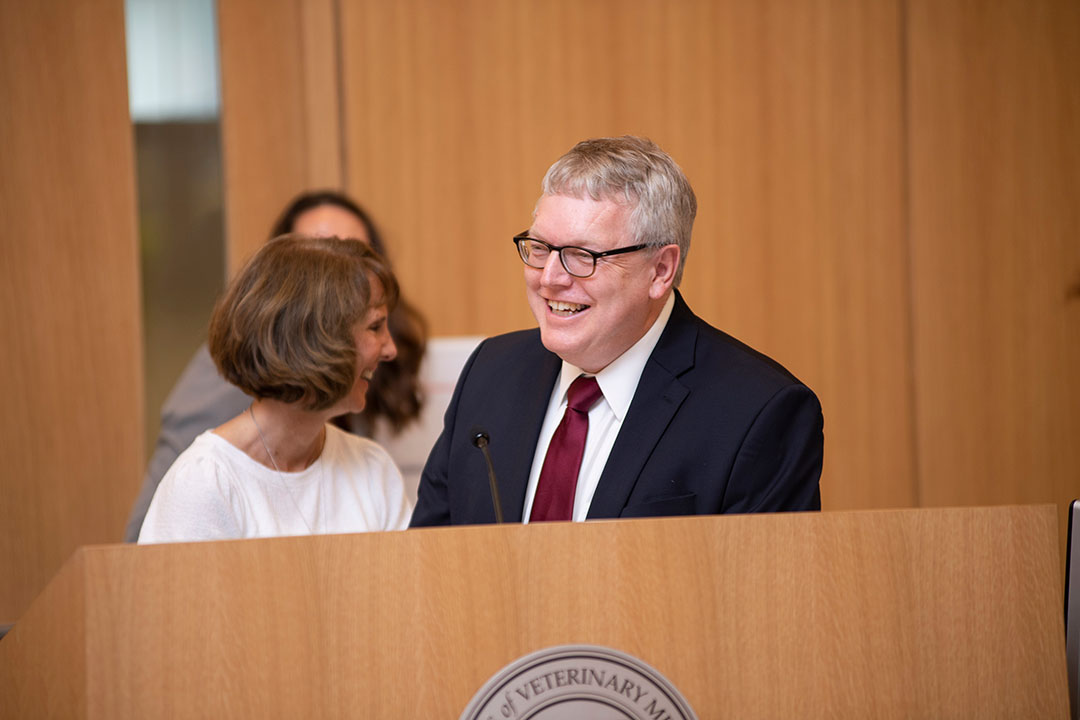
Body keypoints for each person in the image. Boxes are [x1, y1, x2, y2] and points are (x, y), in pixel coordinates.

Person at [410, 136, 823, 526]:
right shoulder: (491, 372)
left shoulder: (758, 412)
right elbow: (429, 565)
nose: (549, 278)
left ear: (661, 270)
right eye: (539, 249)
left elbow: (763, 595)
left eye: (581, 255)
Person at [124, 191, 427, 541]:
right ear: (314, 336)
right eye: (375, 327)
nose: (390, 349)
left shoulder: (373, 470)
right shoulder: (206, 482)